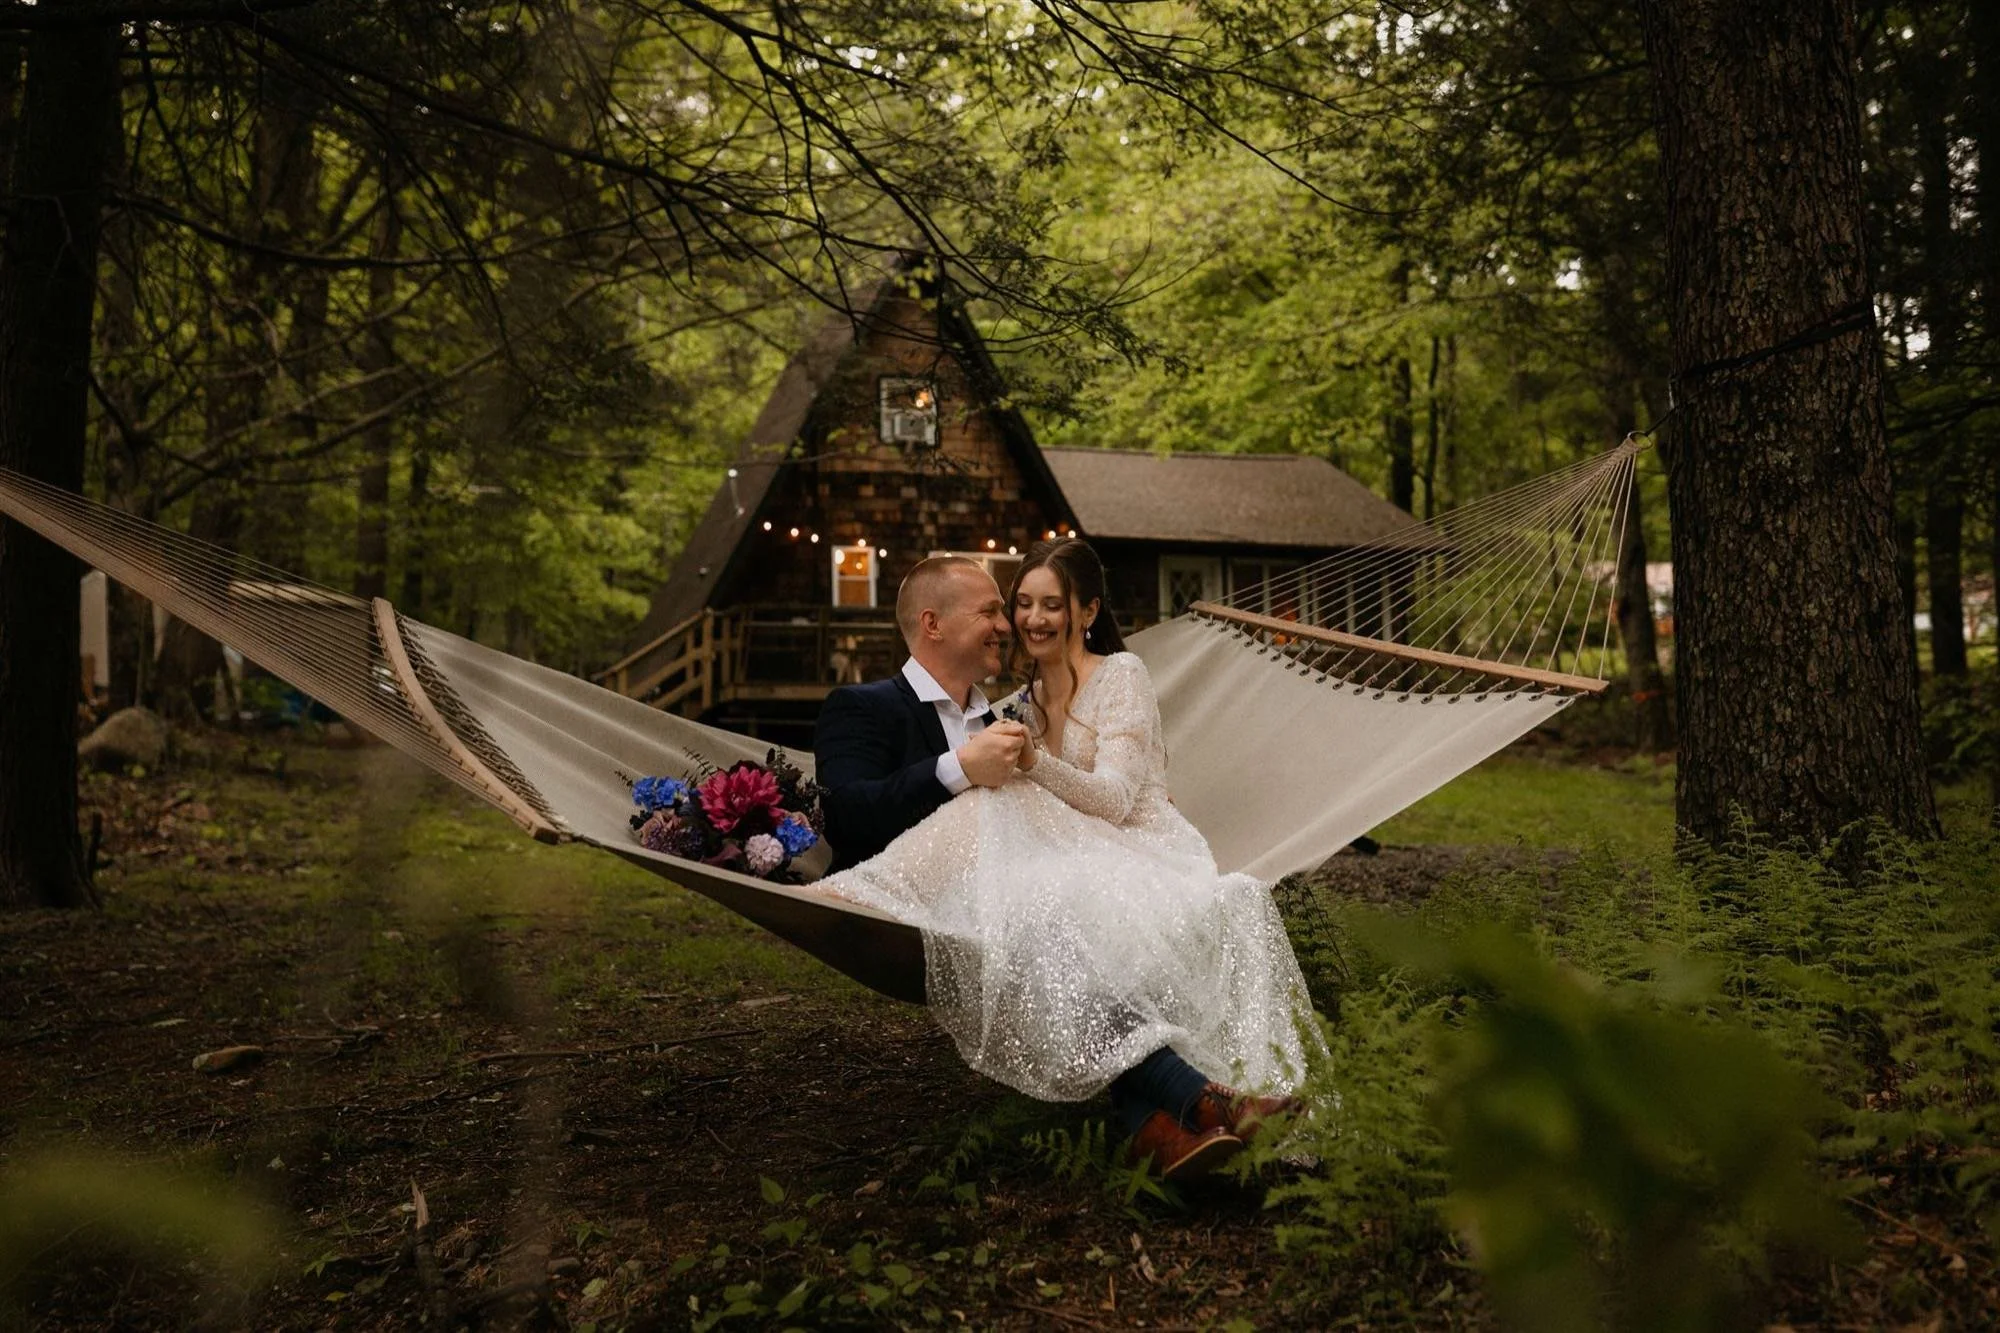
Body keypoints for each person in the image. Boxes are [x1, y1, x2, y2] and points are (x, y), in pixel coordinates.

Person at [813, 546, 1319, 1180]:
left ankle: (1163, 1126)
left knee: (1059, 927)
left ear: (1087, 611)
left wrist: (1030, 769)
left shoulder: (1028, 707)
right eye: (1003, 608)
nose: (1015, 623)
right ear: (933, 623)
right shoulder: (877, 707)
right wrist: (960, 769)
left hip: (1070, 871)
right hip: (952, 893)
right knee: (1049, 919)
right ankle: (1189, 1110)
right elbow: (849, 813)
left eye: (1036, 605)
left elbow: (1090, 794)